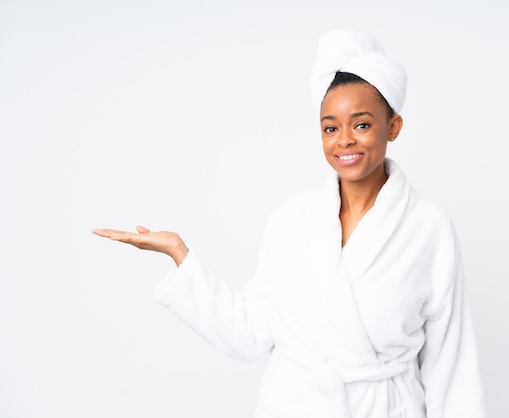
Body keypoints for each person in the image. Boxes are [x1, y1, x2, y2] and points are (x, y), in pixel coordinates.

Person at [93, 30, 486, 418]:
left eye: (362, 124)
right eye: (330, 127)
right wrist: (180, 253)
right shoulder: (292, 220)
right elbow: (250, 335)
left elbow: (451, 367)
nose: (344, 140)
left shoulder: (428, 228)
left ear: (394, 127)